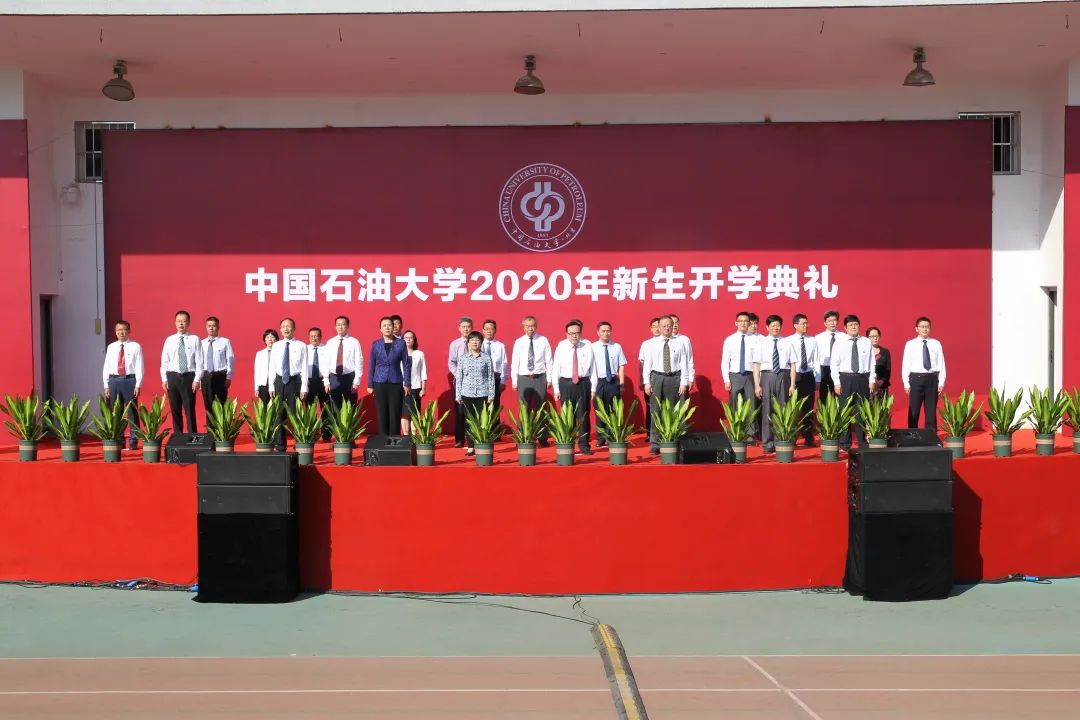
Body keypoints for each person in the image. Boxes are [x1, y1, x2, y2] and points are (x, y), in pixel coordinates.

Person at [641, 315, 691, 454]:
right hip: (657, 377)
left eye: (669, 325)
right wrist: (647, 382)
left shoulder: (679, 343)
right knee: (656, 410)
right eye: (664, 326)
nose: (667, 328)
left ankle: (677, 440)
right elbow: (647, 364)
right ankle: (655, 443)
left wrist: (684, 382)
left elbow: (684, 364)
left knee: (676, 410)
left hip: (675, 377)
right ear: (659, 327)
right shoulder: (652, 344)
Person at [830, 314, 877, 449]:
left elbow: (872, 362)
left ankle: (862, 441)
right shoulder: (839, 342)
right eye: (850, 325)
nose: (853, 327)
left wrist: (872, 380)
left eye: (855, 324)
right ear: (845, 328)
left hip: (862, 378)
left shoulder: (866, 342)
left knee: (861, 410)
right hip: (845, 378)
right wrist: (836, 382)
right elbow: (834, 364)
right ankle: (844, 442)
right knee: (844, 410)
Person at [753, 315, 797, 453]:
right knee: (767, 409)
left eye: (778, 325)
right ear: (767, 327)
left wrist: (792, 384)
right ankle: (767, 444)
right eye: (772, 326)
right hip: (767, 376)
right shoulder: (761, 343)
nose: (775, 328)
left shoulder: (787, 342)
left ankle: (781, 441)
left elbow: (793, 364)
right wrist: (757, 385)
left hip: (784, 376)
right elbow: (756, 365)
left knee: (783, 410)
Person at [551, 319, 594, 455]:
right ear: (566, 334)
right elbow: (555, 368)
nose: (574, 336)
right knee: (568, 416)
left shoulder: (588, 345)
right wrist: (556, 389)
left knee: (583, 416)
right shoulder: (561, 346)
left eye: (577, 333)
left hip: (583, 383)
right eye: (571, 333)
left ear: (581, 333)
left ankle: (584, 445)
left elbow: (594, 369)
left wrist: (593, 388)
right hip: (566, 384)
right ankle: (568, 444)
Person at [510, 315, 553, 446]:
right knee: (524, 408)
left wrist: (549, 379)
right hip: (523, 377)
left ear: (536, 326)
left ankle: (542, 437)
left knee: (541, 408)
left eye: (533, 326)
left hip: (539, 377)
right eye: (527, 326)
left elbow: (549, 361)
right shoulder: (519, 342)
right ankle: (524, 436)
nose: (530, 329)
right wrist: (514, 381)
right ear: (523, 327)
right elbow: (515, 362)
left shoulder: (543, 340)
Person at [160, 310, 203, 434]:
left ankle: (192, 436)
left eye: (184, 321)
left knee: (189, 409)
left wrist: (197, 379)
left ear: (188, 323)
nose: (181, 324)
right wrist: (164, 379)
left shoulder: (195, 339)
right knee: (175, 409)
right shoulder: (169, 340)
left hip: (189, 377)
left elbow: (200, 361)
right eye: (178, 321)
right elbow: (164, 362)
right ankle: (178, 436)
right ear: (175, 323)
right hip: (172, 376)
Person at [268, 318, 308, 451]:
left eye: (289, 326)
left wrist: (304, 387)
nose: (286, 329)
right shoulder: (276, 345)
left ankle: (300, 444)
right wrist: (271, 386)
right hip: (279, 382)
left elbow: (304, 368)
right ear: (280, 329)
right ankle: (280, 445)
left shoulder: (301, 345)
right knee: (278, 415)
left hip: (295, 382)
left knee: (296, 414)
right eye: (283, 326)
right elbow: (272, 366)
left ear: (294, 328)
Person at [102, 320, 143, 450]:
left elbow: (139, 366)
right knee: (116, 412)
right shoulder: (111, 347)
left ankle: (133, 440)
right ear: (115, 332)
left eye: (124, 329)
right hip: (114, 381)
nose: (121, 332)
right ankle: (119, 440)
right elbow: (106, 366)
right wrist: (106, 384)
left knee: (132, 411)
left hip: (129, 380)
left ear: (129, 331)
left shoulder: (135, 346)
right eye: (118, 330)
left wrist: (138, 384)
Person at [368, 316, 412, 436]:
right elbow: (371, 364)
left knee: (395, 412)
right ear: (380, 329)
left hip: (396, 382)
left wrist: (407, 383)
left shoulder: (401, 343)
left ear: (393, 327)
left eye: (389, 325)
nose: (387, 328)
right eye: (384, 326)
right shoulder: (376, 344)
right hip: (379, 382)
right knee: (382, 413)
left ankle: (394, 439)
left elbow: (406, 364)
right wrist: (370, 384)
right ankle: (383, 439)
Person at [454, 330, 495, 456]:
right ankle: (471, 447)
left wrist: (491, 394)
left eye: (477, 340)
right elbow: (459, 377)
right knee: (469, 420)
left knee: (481, 420)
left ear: (481, 342)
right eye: (472, 340)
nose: (474, 342)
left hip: (483, 393)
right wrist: (458, 394)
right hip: (466, 393)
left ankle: (480, 444)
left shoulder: (486, 358)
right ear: (468, 343)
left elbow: (490, 377)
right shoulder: (463, 358)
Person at [902, 316, 947, 431]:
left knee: (931, 410)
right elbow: (906, 364)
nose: (925, 329)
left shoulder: (936, 343)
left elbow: (941, 364)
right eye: (922, 326)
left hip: (932, 379)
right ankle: (913, 434)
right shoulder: (910, 344)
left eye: (927, 327)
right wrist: (906, 383)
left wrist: (941, 382)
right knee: (914, 410)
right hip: (916, 379)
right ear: (916, 329)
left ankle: (931, 435)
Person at [719, 311, 758, 440]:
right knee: (734, 404)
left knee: (751, 404)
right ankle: (736, 433)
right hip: (735, 376)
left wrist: (758, 380)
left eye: (746, 321)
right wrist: (726, 380)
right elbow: (725, 361)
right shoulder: (730, 340)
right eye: (741, 321)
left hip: (750, 375)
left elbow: (758, 362)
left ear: (749, 323)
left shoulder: (755, 340)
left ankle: (750, 435)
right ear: (736, 323)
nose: (743, 323)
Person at [590, 321, 627, 448]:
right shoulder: (592, 347)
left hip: (613, 382)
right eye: (603, 331)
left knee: (613, 410)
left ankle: (612, 435)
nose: (606, 333)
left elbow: (621, 366)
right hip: (598, 381)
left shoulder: (616, 346)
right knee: (600, 410)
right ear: (598, 332)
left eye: (608, 331)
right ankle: (601, 437)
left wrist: (621, 384)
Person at [789, 313, 819, 447]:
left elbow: (816, 360)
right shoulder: (788, 340)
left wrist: (817, 379)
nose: (806, 325)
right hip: (795, 376)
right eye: (803, 323)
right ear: (795, 325)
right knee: (793, 409)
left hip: (808, 376)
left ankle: (808, 437)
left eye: (807, 323)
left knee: (808, 408)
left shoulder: (812, 340)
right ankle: (792, 438)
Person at [323, 315, 363, 410]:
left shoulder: (354, 342)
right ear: (335, 326)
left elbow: (359, 362)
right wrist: (326, 381)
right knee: (335, 408)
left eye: (343, 324)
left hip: (349, 378)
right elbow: (325, 363)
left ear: (347, 326)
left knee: (350, 407)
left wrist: (356, 382)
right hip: (334, 378)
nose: (340, 327)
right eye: (338, 325)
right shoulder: (330, 342)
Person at [447, 316, 473, 448]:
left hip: (474, 380)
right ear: (459, 328)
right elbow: (451, 362)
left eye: (468, 326)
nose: (466, 329)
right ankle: (459, 439)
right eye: (463, 327)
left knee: (472, 410)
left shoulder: (476, 341)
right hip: (459, 380)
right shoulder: (455, 344)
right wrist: (459, 375)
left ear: (472, 328)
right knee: (460, 409)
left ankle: (472, 439)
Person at [200, 316, 234, 415]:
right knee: (208, 405)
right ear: (206, 327)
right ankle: (209, 425)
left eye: (213, 326)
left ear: (218, 327)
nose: (211, 328)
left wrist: (228, 377)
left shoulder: (225, 342)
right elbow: (199, 362)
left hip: (220, 376)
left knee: (221, 404)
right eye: (209, 326)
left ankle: (221, 425)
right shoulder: (201, 343)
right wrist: (199, 379)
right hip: (206, 377)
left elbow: (230, 360)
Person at [400, 330, 428, 436]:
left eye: (411, 337)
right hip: (401, 387)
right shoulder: (399, 354)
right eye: (406, 337)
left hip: (415, 387)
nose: (408, 339)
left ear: (414, 340)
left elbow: (423, 372)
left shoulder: (419, 353)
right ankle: (406, 435)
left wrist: (423, 388)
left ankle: (414, 436)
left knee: (414, 413)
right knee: (404, 413)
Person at [305, 327, 332, 441]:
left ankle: (326, 435)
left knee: (326, 408)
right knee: (310, 408)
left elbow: (330, 365)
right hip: (309, 382)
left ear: (320, 337)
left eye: (316, 336)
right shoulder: (305, 349)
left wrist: (327, 381)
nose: (314, 338)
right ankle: (312, 434)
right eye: (311, 336)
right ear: (309, 337)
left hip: (323, 381)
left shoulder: (326, 348)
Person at [637, 317, 661, 438]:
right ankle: (650, 433)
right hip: (650, 378)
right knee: (651, 406)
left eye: (658, 326)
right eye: (654, 326)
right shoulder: (646, 344)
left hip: (663, 377)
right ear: (650, 329)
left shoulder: (667, 342)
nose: (656, 329)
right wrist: (643, 382)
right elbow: (641, 364)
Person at [481, 320, 509, 420]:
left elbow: (504, 363)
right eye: (486, 329)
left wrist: (503, 381)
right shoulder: (478, 344)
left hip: (495, 378)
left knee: (495, 405)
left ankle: (495, 429)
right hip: (481, 379)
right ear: (483, 330)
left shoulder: (500, 345)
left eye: (491, 329)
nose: (489, 331)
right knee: (482, 405)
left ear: (495, 330)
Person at [816, 310, 841, 402]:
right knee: (825, 398)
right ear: (825, 323)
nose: (832, 323)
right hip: (825, 370)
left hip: (840, 370)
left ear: (837, 321)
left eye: (834, 320)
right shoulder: (818, 338)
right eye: (830, 321)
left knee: (840, 398)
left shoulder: (844, 337)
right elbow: (816, 358)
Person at [669, 313, 696, 391]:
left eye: (676, 323)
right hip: (666, 377)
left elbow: (689, 359)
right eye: (672, 323)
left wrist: (690, 379)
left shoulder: (684, 339)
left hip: (681, 377)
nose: (675, 325)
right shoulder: (663, 340)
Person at [253, 329, 278, 405]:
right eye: (267, 337)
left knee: (277, 406)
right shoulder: (260, 353)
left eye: (272, 337)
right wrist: (256, 388)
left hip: (276, 383)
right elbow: (257, 371)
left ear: (276, 339)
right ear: (264, 340)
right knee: (264, 406)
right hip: (264, 384)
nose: (270, 339)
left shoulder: (280, 352)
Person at [867, 326, 892, 399]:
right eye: (872, 336)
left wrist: (879, 383)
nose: (875, 338)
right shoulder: (864, 352)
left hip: (881, 386)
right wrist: (871, 383)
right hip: (868, 386)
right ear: (867, 337)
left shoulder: (885, 352)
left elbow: (888, 370)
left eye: (877, 336)